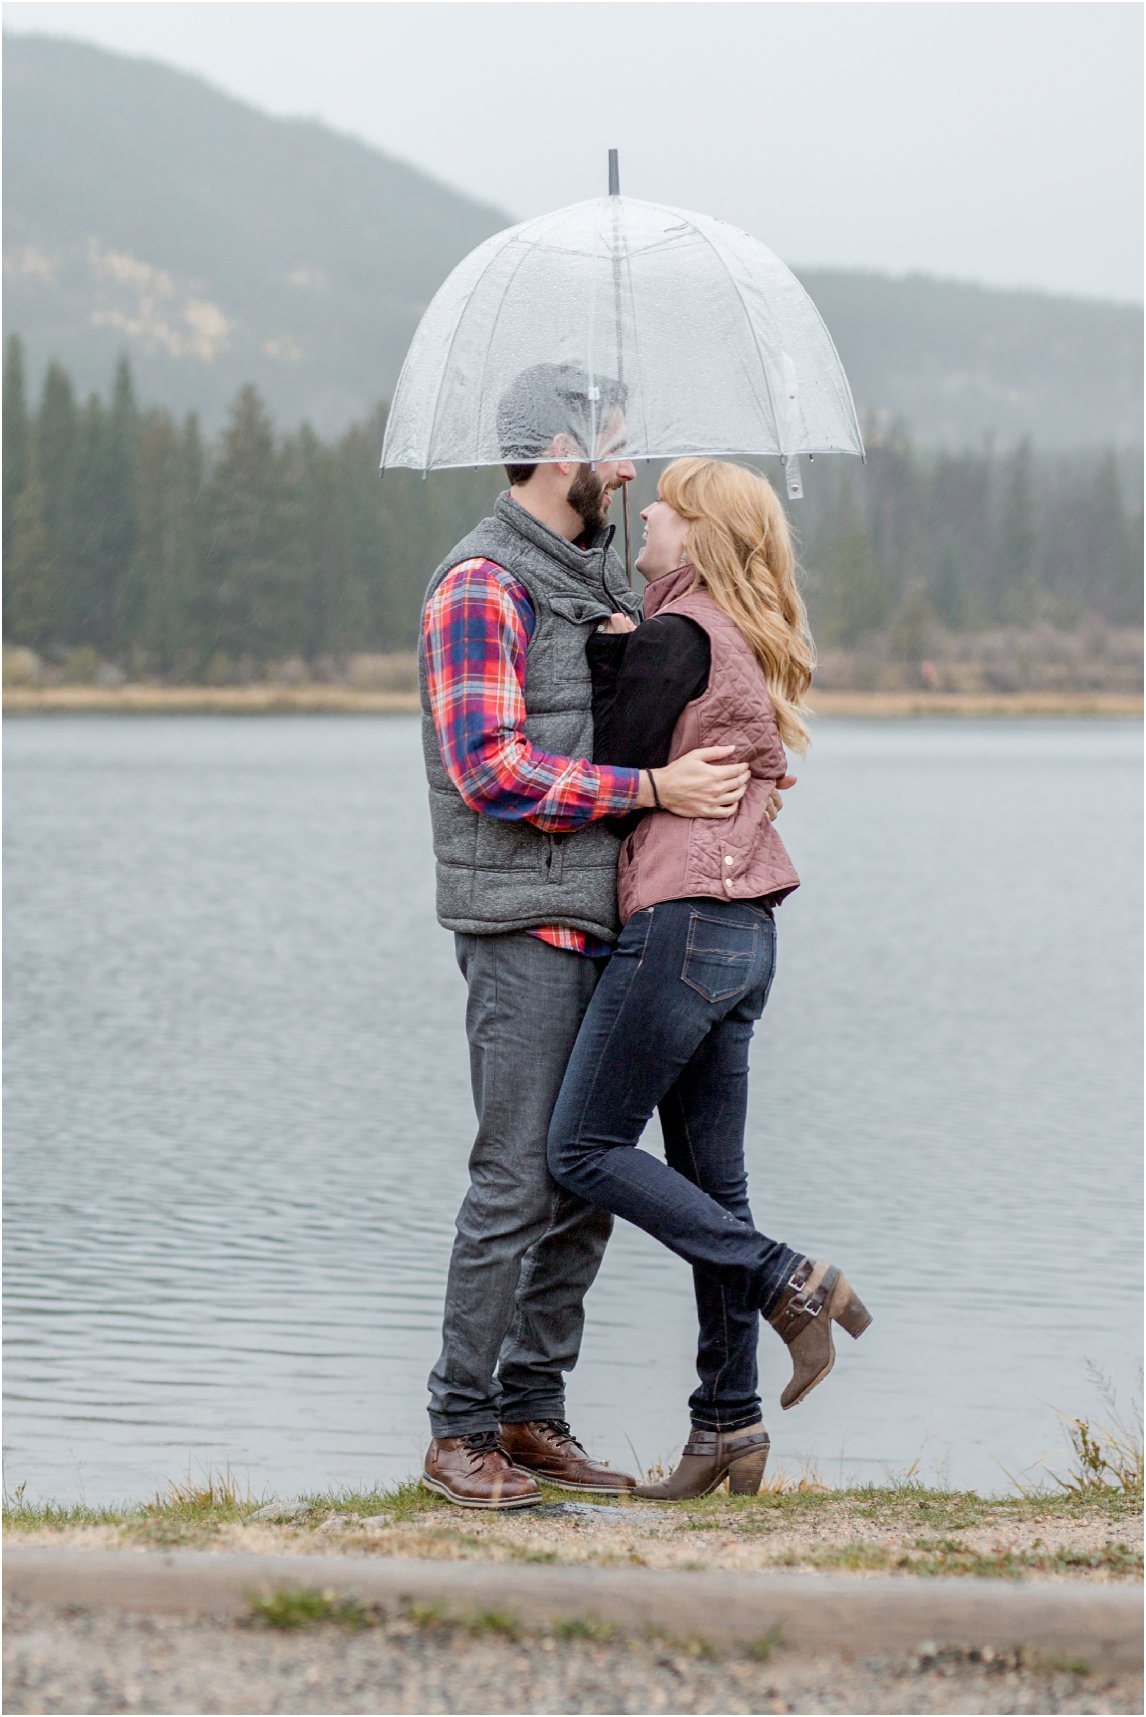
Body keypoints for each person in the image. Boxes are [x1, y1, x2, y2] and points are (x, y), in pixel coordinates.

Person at [418, 366, 764, 1510]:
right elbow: (489, 770)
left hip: (600, 919)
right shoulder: (480, 582)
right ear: (561, 451)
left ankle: (530, 1410)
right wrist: (654, 783)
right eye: (618, 447)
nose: (629, 468)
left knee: (582, 1179)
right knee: (515, 1177)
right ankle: (458, 1431)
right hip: (521, 924)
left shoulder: (586, 577)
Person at [547, 457, 871, 1502]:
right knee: (710, 1181)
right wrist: (622, 651)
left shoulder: (681, 635)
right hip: (744, 937)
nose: (648, 512)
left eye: (668, 506)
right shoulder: (717, 634)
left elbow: (609, 768)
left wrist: (605, 667)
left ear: (699, 538)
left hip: (682, 925)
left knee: (583, 1144)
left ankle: (788, 1279)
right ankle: (727, 1422)